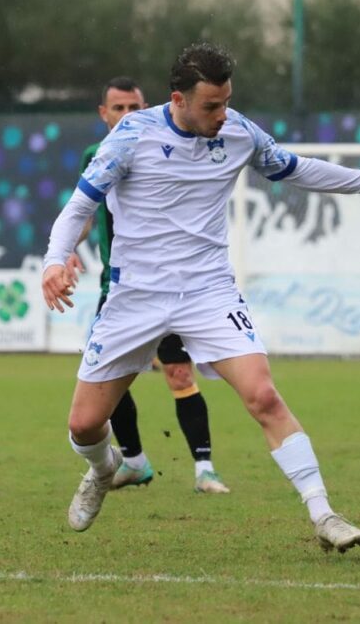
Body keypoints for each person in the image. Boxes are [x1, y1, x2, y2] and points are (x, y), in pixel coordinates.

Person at [42, 42, 360, 551]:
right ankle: (104, 469)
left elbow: (299, 168)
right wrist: (55, 261)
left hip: (208, 292)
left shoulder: (238, 133)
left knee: (264, 396)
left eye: (227, 101)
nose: (222, 114)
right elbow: (79, 207)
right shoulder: (131, 136)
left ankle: (324, 514)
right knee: (84, 424)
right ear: (178, 100)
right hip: (135, 296)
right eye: (212, 105)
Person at [68, 77, 229, 494]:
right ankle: (135, 460)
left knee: (179, 372)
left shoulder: (162, 147)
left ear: (148, 108)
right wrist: (67, 250)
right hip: (118, 288)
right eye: (118, 108)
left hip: (170, 284)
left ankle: (205, 469)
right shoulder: (95, 154)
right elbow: (84, 211)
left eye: (134, 107)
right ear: (103, 113)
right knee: (107, 378)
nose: (127, 115)